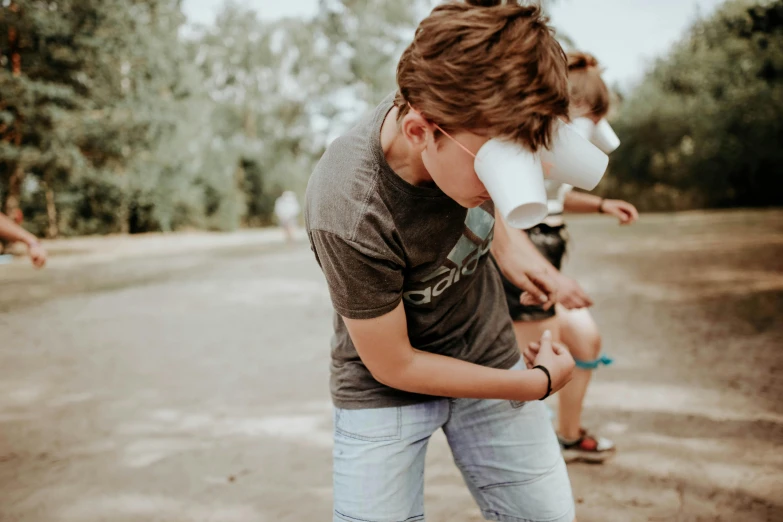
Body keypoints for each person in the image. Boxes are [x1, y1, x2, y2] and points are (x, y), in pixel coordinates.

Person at [305, 2, 582, 521]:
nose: (511, 185)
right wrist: (533, 384)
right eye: (498, 168)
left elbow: (496, 163)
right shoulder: (347, 208)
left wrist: (505, 244)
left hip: (483, 346)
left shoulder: (465, 126)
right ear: (420, 131)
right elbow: (395, 362)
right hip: (383, 386)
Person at [500, 52, 639, 463]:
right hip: (526, 267)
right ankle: (530, 453)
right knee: (543, 352)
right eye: (590, 117)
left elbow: (558, 196)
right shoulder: (524, 145)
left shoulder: (556, 153)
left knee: (584, 338)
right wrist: (546, 279)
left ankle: (568, 436)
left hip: (549, 263)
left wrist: (601, 205)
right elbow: (510, 225)